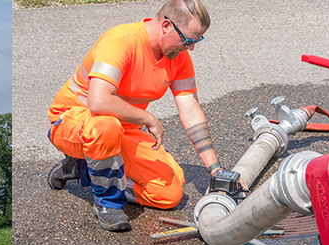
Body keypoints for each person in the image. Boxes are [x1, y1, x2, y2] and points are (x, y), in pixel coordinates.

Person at [42, 0, 216, 232]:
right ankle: (108, 204)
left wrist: (215, 169)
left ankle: (84, 169)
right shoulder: (120, 42)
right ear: (166, 26)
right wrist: (149, 119)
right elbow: (99, 102)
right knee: (105, 126)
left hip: (122, 130)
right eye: (188, 40)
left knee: (169, 193)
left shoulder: (177, 56)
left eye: (197, 41)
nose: (191, 48)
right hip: (73, 125)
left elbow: (190, 108)